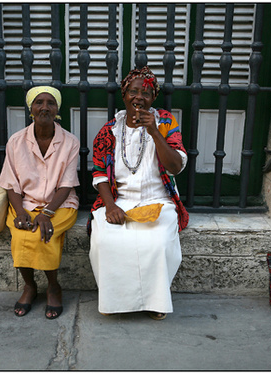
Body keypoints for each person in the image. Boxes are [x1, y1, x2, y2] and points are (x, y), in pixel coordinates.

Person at [88, 66, 189, 320]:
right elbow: (99, 173)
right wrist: (110, 206)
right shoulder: (110, 129)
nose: (139, 98)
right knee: (105, 240)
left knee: (156, 243)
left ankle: (155, 301)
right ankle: (114, 302)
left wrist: (154, 132)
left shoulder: (166, 122)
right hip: (120, 200)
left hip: (158, 200)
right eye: (133, 91)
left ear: (153, 97)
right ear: (124, 95)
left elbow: (176, 166)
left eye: (145, 93)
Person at [0, 86, 80, 319]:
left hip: (60, 204)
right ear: (30, 109)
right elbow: (10, 182)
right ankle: (30, 286)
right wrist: (19, 211)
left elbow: (66, 184)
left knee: (46, 233)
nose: (45, 107)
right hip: (25, 203)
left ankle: (53, 287)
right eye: (39, 102)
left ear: (57, 110)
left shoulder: (69, 142)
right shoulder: (16, 141)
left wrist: (47, 212)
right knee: (22, 233)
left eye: (50, 103)